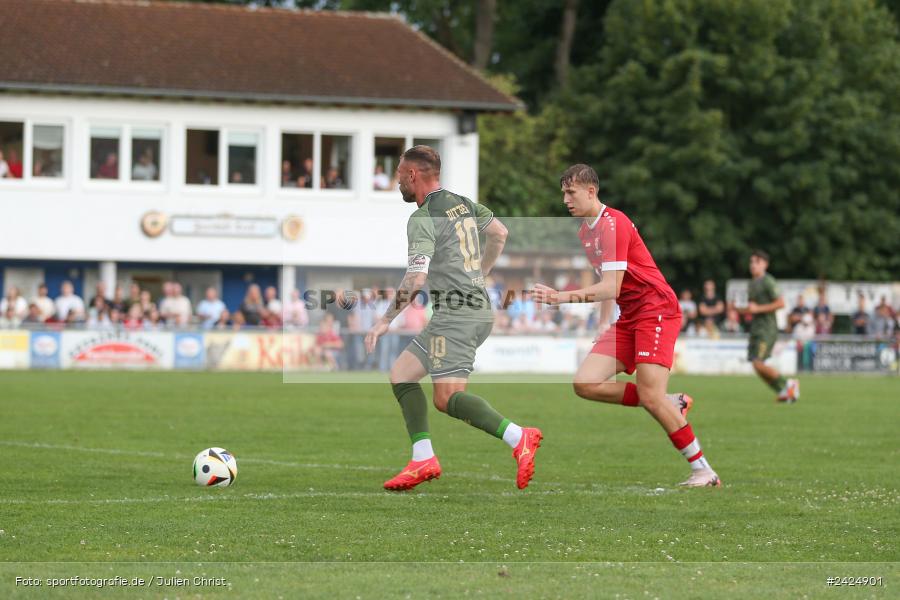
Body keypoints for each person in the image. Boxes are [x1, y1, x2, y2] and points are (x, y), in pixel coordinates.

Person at [364, 145, 542, 492]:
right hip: (468, 309)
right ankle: (423, 458)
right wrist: (481, 273)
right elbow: (500, 233)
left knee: (447, 398)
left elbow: (416, 278)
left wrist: (385, 319)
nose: (398, 182)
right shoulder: (462, 203)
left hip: (457, 315)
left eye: (400, 175)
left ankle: (519, 436)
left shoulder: (422, 217)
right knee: (402, 374)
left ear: (413, 175)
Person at [531, 163, 720, 487]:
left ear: (591, 192)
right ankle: (668, 401)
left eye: (570, 192)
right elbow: (611, 287)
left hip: (656, 310)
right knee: (585, 383)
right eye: (563, 192)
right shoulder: (586, 231)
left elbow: (611, 287)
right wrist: (605, 323)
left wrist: (560, 297)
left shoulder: (612, 224)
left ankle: (703, 470)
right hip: (630, 316)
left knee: (650, 396)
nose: (565, 200)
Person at [738, 250, 799, 403]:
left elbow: (781, 303)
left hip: (767, 328)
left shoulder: (768, 281)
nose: (753, 265)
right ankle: (784, 392)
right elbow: (753, 308)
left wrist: (757, 309)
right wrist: (737, 309)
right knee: (756, 365)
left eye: (757, 262)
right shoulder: (751, 284)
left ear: (765, 264)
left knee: (758, 363)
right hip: (755, 328)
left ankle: (789, 384)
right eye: (751, 261)